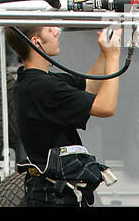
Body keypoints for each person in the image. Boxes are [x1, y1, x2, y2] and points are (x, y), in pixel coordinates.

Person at [9, 24, 121, 207]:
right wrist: (113, 56)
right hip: (53, 197)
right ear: (36, 42)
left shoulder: (34, 80)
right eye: (48, 29)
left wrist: (104, 51)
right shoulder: (42, 87)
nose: (56, 31)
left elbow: (90, 85)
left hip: (47, 192)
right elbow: (106, 107)